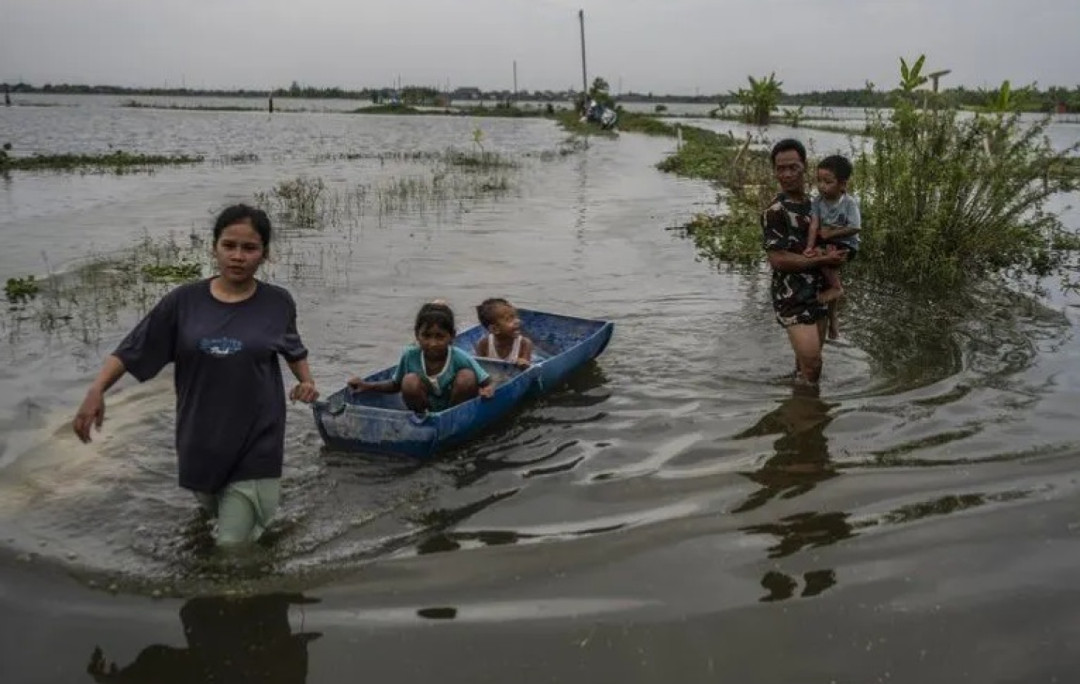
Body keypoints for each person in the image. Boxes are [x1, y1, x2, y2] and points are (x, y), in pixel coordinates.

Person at [72, 204, 318, 545]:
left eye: (249, 248)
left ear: (265, 254)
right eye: (229, 245)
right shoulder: (183, 302)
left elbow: (292, 347)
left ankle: (240, 577)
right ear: (214, 247)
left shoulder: (277, 302)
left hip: (258, 438)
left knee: (232, 547)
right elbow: (133, 348)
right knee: (212, 516)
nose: (238, 256)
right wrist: (97, 389)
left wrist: (306, 381)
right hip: (200, 438)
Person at [762, 139, 848, 384]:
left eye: (793, 167)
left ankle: (797, 395)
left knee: (805, 366)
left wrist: (836, 254)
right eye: (781, 169)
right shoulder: (775, 212)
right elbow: (778, 259)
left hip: (819, 294)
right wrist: (822, 259)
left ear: (805, 167)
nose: (787, 174)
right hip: (792, 297)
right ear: (775, 171)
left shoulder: (816, 205)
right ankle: (808, 405)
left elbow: (832, 238)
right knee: (813, 364)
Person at [348, 302, 494, 412]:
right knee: (409, 380)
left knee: (467, 377)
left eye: (440, 337)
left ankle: (453, 416)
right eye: (426, 336)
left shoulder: (459, 356)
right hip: (425, 408)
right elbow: (396, 385)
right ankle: (422, 419)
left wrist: (487, 389)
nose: (432, 343)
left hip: (454, 404)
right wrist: (367, 385)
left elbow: (487, 381)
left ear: (452, 336)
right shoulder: (410, 355)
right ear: (417, 335)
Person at [802, 155, 862, 339]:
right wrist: (809, 246)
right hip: (826, 242)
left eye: (828, 182)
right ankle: (833, 322)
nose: (822, 186)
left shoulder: (849, 203)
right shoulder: (818, 201)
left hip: (847, 244)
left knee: (825, 256)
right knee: (820, 258)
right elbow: (814, 225)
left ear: (842, 184)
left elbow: (855, 227)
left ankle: (837, 288)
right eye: (819, 181)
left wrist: (831, 234)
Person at [474, 297, 533, 367]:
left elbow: (526, 368)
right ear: (495, 329)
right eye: (509, 319)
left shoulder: (524, 343)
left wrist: (522, 362)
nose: (517, 321)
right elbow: (478, 367)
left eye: (516, 317)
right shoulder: (484, 344)